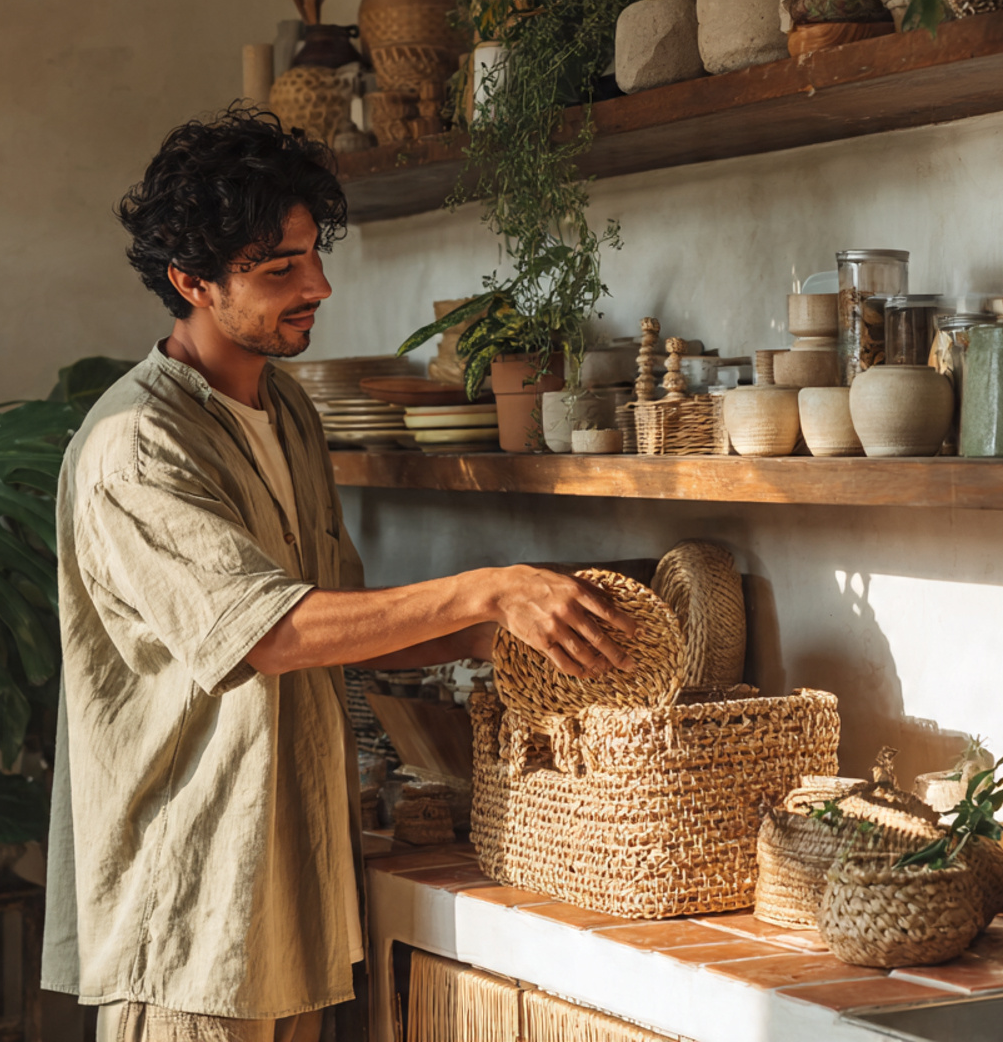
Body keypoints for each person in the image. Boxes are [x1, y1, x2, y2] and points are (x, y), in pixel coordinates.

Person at [42, 107, 634, 1042]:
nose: (317, 284)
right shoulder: (137, 446)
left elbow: (344, 619)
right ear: (190, 281)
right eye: (280, 269)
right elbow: (271, 633)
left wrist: (513, 625)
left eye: (314, 254)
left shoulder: (288, 412)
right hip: (194, 915)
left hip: (295, 898)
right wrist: (484, 588)